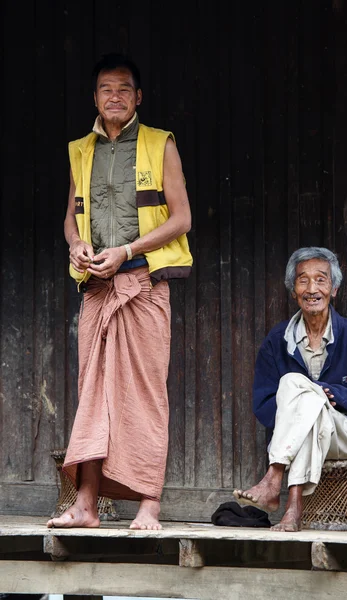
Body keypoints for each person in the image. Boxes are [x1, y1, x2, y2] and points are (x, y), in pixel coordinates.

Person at [47, 53, 192, 530]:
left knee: (145, 395)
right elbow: (71, 217)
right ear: (94, 98)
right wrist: (76, 244)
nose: (115, 96)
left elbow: (181, 219)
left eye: (124, 89)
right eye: (106, 89)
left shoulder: (159, 144)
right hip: (96, 289)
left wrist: (126, 248)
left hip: (143, 286)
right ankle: (86, 504)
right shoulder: (80, 150)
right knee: (94, 395)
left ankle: (150, 502)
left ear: (138, 98)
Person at [234, 247, 347, 531]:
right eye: (302, 280)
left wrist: (331, 395)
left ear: (334, 289)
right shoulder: (277, 340)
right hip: (309, 434)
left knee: (294, 384)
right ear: (293, 290)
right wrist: (308, 407)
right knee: (300, 397)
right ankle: (293, 508)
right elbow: (264, 402)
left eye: (321, 279)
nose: (311, 288)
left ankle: (274, 477)